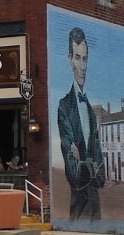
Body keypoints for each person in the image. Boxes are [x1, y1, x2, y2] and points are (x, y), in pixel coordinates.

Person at [57, 27, 105, 221]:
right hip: (78, 211)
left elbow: (101, 176)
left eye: (85, 58)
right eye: (78, 58)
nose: (83, 66)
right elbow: (74, 175)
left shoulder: (91, 113)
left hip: (96, 211)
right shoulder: (64, 108)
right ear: (70, 59)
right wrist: (92, 166)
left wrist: (86, 164)